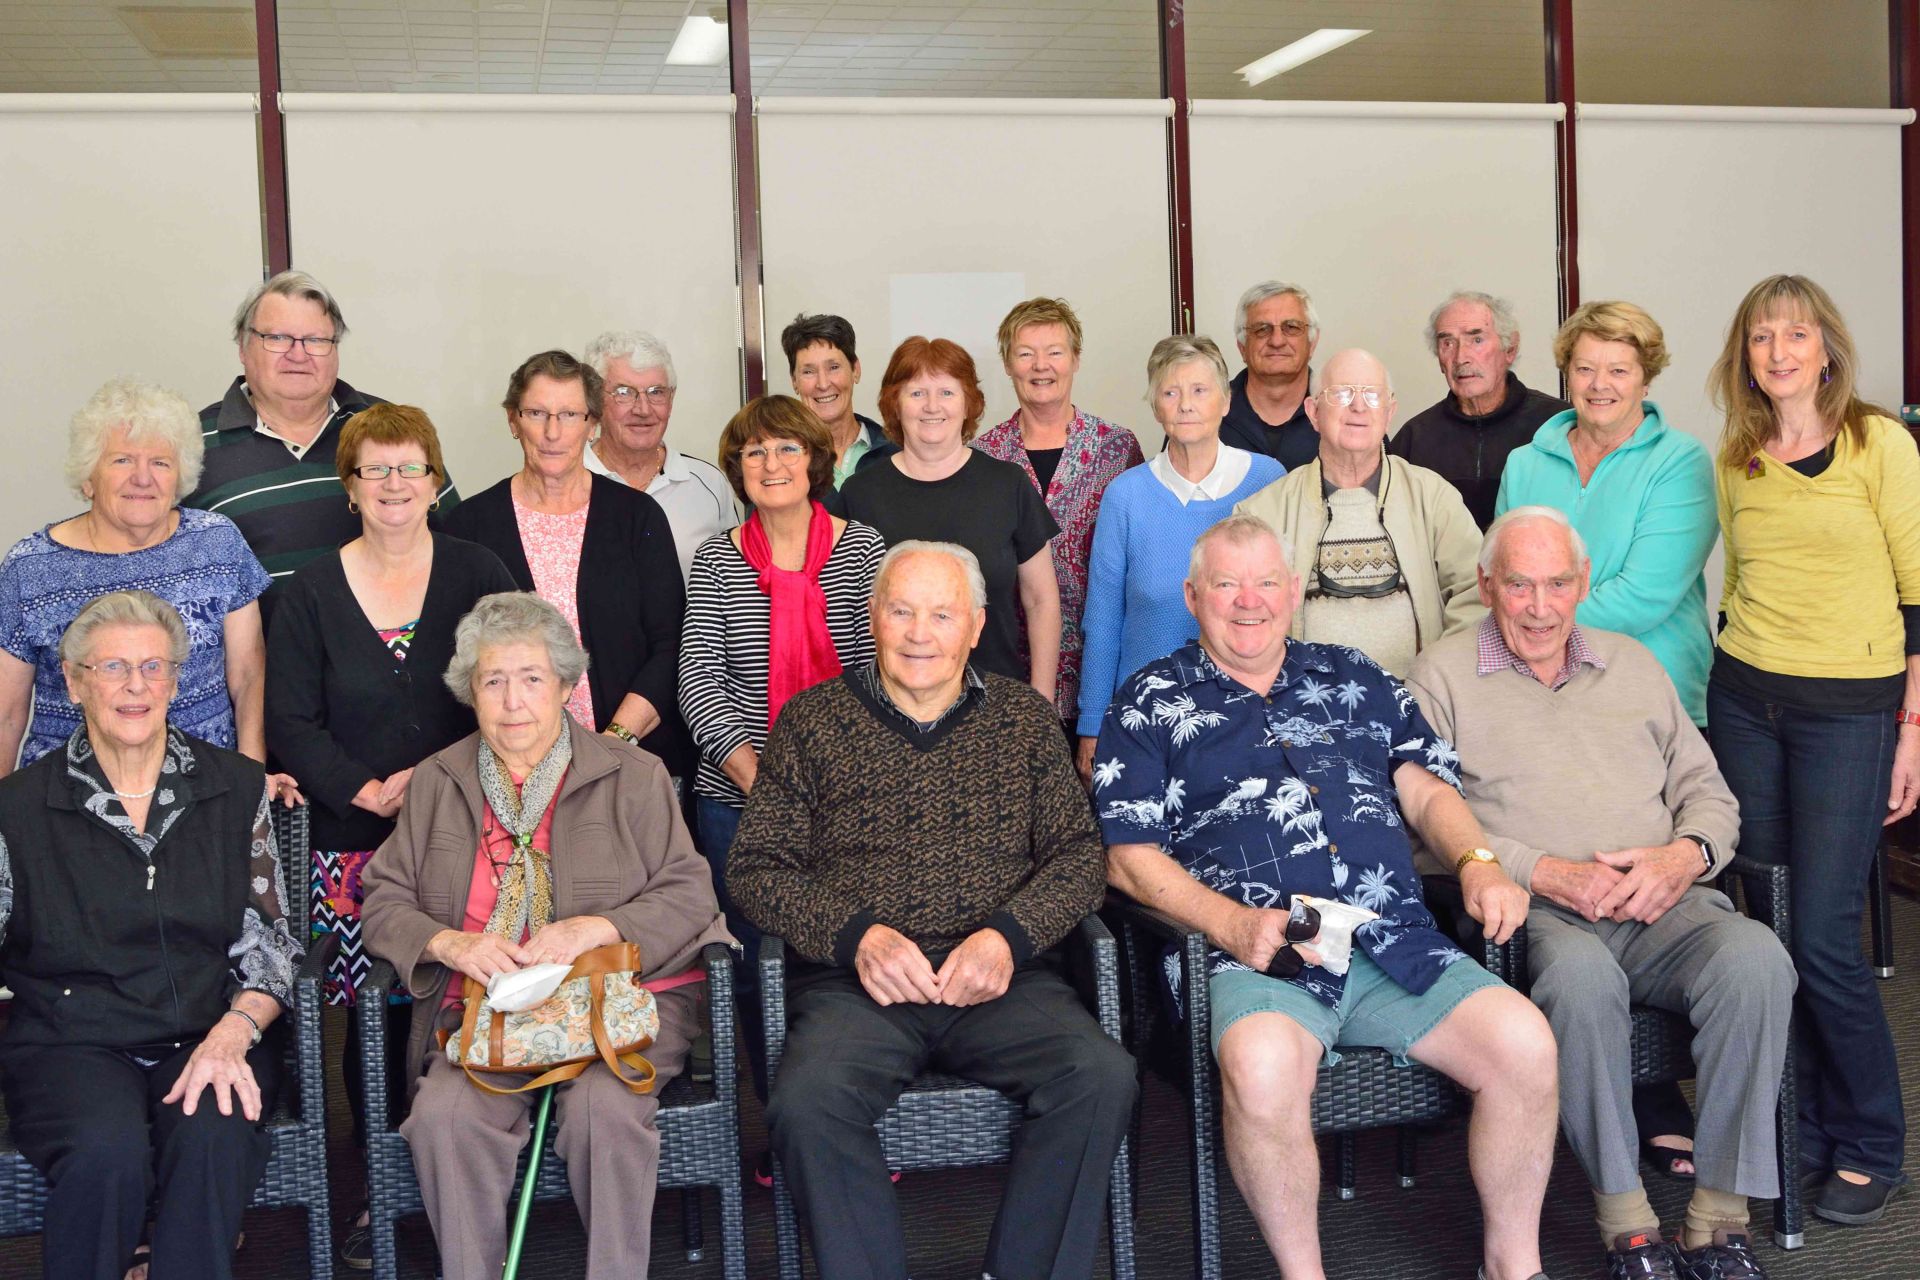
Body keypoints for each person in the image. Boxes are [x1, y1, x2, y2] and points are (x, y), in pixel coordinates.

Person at [1095, 514, 1558, 1280]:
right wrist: (1231, 924)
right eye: (1226, 584)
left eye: (1268, 582)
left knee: (1526, 1045)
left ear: (1294, 592)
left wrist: (1475, 861)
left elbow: (1422, 788)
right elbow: (1127, 856)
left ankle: (1514, 1267)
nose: (1250, 601)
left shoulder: (1355, 675)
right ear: (1192, 595)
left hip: (1392, 939)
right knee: (1264, 1064)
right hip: (1256, 957)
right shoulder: (1149, 701)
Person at [729, 541, 1135, 1279]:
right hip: (859, 987)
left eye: (941, 614)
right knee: (807, 1102)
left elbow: (1079, 859)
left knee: (1100, 1075)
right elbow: (756, 869)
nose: (920, 633)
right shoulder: (812, 722)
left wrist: (1008, 938)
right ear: (874, 617)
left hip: (1003, 980)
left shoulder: (1021, 719)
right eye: (902, 610)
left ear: (975, 626)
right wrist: (857, 938)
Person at [1408, 507, 1793, 1279]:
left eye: (1557, 584)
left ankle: (1719, 1220)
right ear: (1487, 585)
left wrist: (1683, 857)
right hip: (1536, 912)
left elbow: (1711, 797)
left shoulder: (1634, 664)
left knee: (1759, 960)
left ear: (1582, 584)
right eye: (1519, 585)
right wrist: (1543, 870)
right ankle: (1628, 1223)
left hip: (1663, 906)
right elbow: (1425, 828)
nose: (1540, 606)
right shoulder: (1440, 676)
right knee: (1582, 984)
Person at [360, 592, 730, 1280]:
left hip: (616, 1005)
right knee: (443, 1116)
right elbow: (383, 898)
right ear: (469, 692)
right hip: (485, 1010)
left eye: (532, 678)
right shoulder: (440, 780)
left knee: (603, 1112)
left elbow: (690, 892)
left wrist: (599, 927)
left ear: (565, 685)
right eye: (492, 680)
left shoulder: (633, 774)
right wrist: (451, 944)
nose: (512, 700)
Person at [264, 403, 516, 1263]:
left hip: (470, 827)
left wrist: (437, 778)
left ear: (435, 478)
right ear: (350, 487)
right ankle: (379, 1181)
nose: (395, 485)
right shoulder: (304, 593)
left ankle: (467, 1169)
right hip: (350, 842)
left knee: (459, 998)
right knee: (372, 1014)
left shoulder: (479, 570)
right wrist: (362, 789)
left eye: (411, 468)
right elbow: (289, 717)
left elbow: (515, 687)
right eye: (376, 470)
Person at [0, 590, 301, 1280]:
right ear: (74, 683)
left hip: (207, 1030)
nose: (135, 686)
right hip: (71, 1040)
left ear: (174, 679)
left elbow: (273, 941)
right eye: (111, 668)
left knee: (214, 1131)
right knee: (105, 1153)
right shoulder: (17, 807)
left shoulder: (235, 787)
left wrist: (234, 1033)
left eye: (152, 668)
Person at [1706, 274, 1920, 1225]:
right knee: (1767, 919)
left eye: (1796, 335)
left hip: (1852, 711)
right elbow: (1743, 578)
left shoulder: (1882, 444)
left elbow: (1919, 596)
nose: (1779, 352)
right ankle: (1799, 1130)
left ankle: (1872, 1138)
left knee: (1827, 933)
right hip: (1747, 698)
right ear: (1745, 356)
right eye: (1762, 338)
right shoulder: (1738, 452)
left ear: (1826, 346)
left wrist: (1911, 730)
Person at [677, 395, 885, 1104]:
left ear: (815, 459)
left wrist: (825, 779)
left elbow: (880, 672)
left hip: (849, 795)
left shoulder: (863, 549)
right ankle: (778, 1115)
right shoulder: (716, 559)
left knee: (848, 956)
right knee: (755, 967)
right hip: (737, 802)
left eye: (787, 448)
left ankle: (852, 1113)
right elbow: (699, 677)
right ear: (738, 467)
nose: (772, 464)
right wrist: (760, 777)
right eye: (755, 451)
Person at [0, 378, 274, 780]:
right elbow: (6, 714)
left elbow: (249, 677)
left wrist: (250, 778)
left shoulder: (218, 542)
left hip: (206, 791)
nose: (143, 478)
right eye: (123, 460)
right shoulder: (29, 567)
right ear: (88, 477)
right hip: (65, 804)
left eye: (160, 462)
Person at [442, 350, 690, 784]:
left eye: (570, 414)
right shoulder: (468, 525)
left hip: (629, 766)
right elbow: (458, 660)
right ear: (513, 421)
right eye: (537, 413)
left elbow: (671, 647)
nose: (553, 432)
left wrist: (610, 745)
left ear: (592, 423)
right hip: (509, 773)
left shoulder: (637, 517)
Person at [1496, 301, 1716, 727]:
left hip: (1655, 694)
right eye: (1584, 369)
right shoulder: (1524, 463)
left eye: (1619, 370)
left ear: (1645, 379)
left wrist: (1536, 625)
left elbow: (1643, 596)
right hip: (1537, 693)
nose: (1600, 385)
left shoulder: (1680, 462)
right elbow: (1503, 577)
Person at [1074, 335, 1284, 780]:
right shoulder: (1126, 496)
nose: (1185, 404)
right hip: (1145, 718)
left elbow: (1286, 602)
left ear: (1226, 402)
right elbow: (1104, 619)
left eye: (1200, 390)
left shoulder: (1268, 481)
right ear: (1156, 408)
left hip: (1248, 711)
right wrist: (1092, 723)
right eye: (1170, 392)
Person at [187, 270, 458, 588]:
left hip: (394, 635)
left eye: (315, 340)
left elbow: (454, 536)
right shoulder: (189, 444)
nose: (298, 354)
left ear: (335, 350)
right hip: (255, 639)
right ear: (243, 348)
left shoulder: (389, 430)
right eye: (277, 338)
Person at [1234, 347, 1483, 678]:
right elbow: (1242, 616)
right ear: (1313, 412)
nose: (1359, 406)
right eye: (1341, 393)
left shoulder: (1433, 497)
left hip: (1416, 710)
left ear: (1390, 411)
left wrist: (1435, 684)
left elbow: (1476, 595)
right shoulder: (1263, 512)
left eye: (1372, 395)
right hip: (1304, 712)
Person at [840, 337, 1062, 698]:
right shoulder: (860, 494)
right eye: (916, 394)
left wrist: (1041, 701)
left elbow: (1041, 600)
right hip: (886, 705)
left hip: (997, 700)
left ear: (967, 403)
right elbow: (844, 610)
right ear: (894, 403)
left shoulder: (1008, 485)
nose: (932, 406)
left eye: (946, 392)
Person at [973, 297, 1145, 734]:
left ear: (1076, 360)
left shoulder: (1117, 449)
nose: (1040, 366)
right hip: (1005, 679)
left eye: (1054, 352)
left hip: (1102, 675)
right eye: (1025, 353)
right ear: (1008, 364)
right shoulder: (984, 457)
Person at [1388, 291, 1570, 529]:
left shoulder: (1556, 425)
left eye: (1476, 340)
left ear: (1510, 349)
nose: (1461, 357)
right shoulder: (1414, 438)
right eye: (1447, 343)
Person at [581, 330, 739, 583]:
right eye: (624, 392)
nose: (643, 409)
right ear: (595, 401)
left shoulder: (709, 483)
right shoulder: (568, 481)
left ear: (671, 399)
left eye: (656, 392)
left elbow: (734, 586)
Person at [1221, 280, 1321, 470]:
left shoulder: (1347, 413)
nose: (1276, 341)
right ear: (1242, 346)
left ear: (1312, 343)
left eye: (1291, 327)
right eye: (1261, 329)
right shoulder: (1204, 412)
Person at [780, 313, 887, 488]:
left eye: (834, 368)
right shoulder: (777, 462)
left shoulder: (895, 452)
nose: (823, 384)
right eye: (808, 371)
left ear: (855, 370)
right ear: (794, 381)